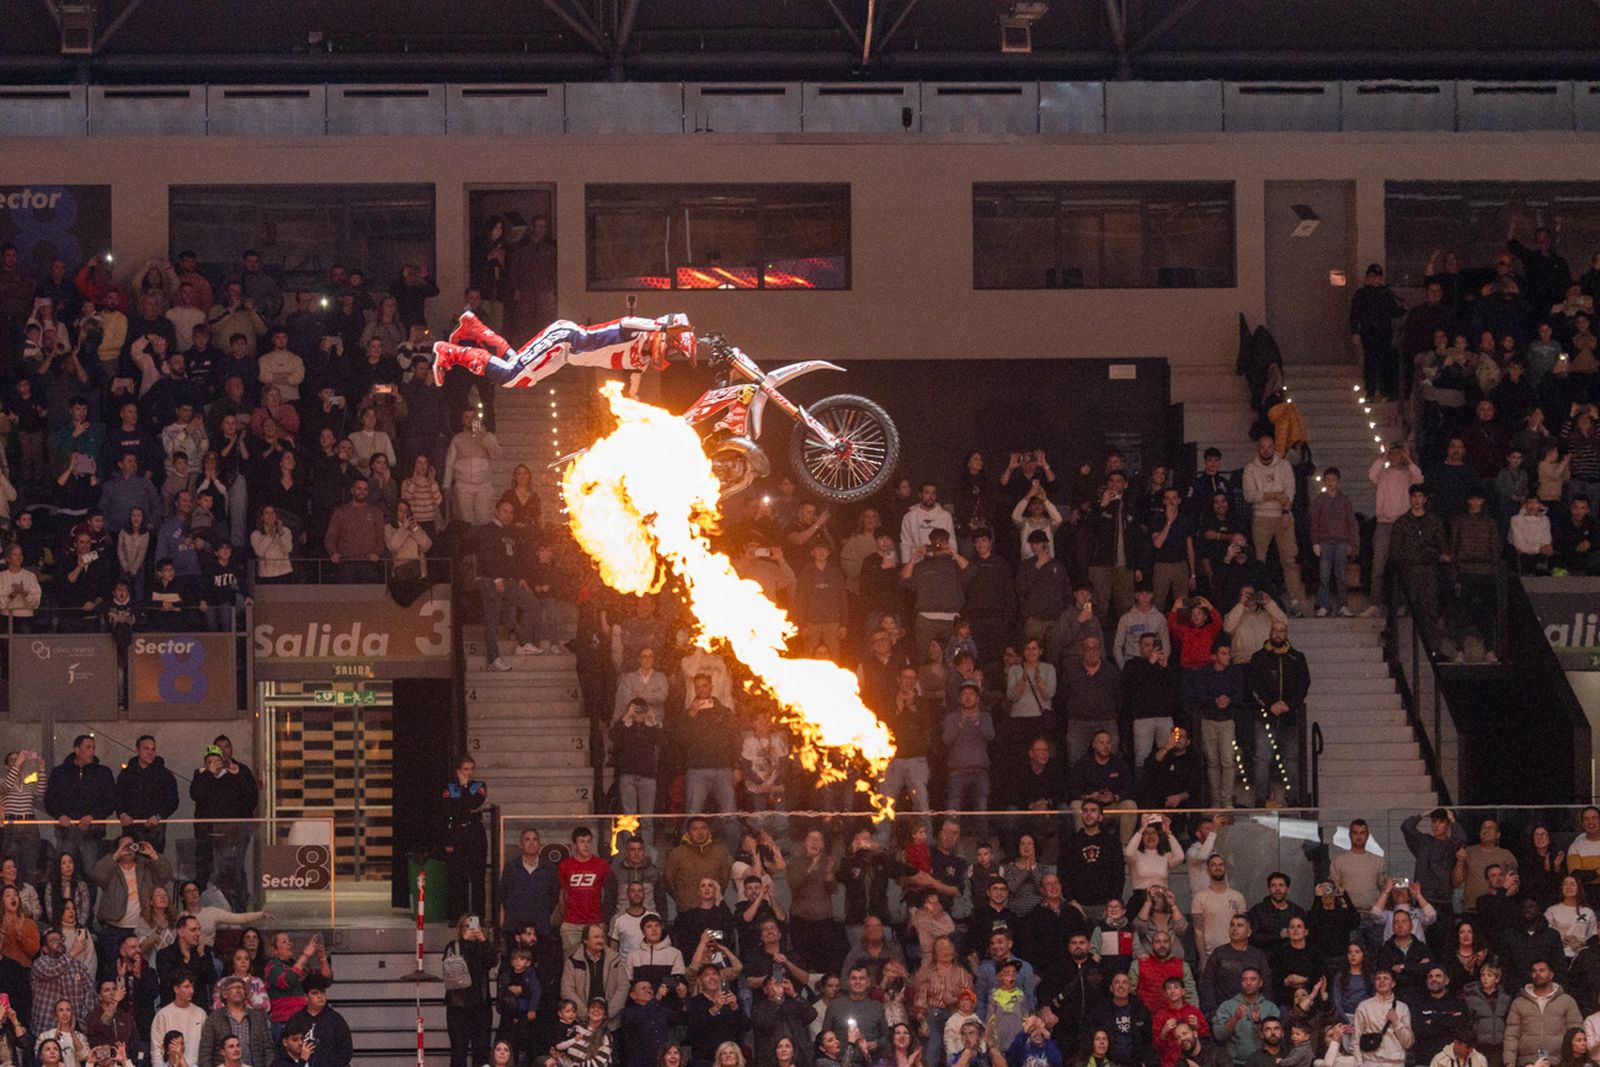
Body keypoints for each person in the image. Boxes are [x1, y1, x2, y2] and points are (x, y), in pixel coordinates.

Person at [1240, 435, 1308, 615]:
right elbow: (1249, 495)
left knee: (1289, 560)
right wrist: (1275, 495)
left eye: (1269, 447)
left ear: (1273, 447)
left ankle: (1294, 602)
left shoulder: (1284, 466)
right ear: (1258, 448)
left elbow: (1290, 492)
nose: (1266, 450)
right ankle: (1260, 601)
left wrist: (1285, 511)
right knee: (1259, 560)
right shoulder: (1250, 468)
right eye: (1262, 447)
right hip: (1261, 517)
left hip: (1283, 516)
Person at [43, 735, 116, 877]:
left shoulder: (103, 773)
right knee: (64, 872)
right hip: (66, 833)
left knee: (91, 873)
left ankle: (88, 899)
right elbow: (50, 800)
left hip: (91, 833)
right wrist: (59, 815)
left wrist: (93, 816)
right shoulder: (60, 773)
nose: (92, 751)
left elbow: (110, 801)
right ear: (77, 750)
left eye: (93, 748)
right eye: (88, 747)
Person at [1502, 960, 1580, 1067]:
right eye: (1534, 971)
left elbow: (1576, 1031)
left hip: (1559, 1061)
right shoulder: (1519, 1002)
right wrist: (1509, 1062)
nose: (1537, 974)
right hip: (1527, 1062)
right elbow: (1511, 1035)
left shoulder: (1567, 1001)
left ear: (1551, 975)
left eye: (1542, 970)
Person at [441, 755, 489, 924]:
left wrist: (465, 788)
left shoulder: (479, 785)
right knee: (456, 877)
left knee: (477, 877)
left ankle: (477, 919)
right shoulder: (449, 787)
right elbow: (451, 810)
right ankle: (458, 917)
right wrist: (463, 800)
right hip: (456, 834)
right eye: (465, 769)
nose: (469, 773)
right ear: (458, 771)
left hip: (475, 833)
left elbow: (473, 804)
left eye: (471, 769)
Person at [444, 915, 496, 1067]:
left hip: (481, 1005)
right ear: (461, 929)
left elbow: (492, 961)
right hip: (458, 1007)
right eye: (466, 926)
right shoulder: (453, 946)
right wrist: (464, 942)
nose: (471, 929)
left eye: (474, 926)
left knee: (481, 1050)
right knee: (458, 1051)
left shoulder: (482, 946)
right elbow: (450, 966)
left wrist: (483, 940)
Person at [197, 975, 272, 1067]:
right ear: (225, 994)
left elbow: (268, 1049)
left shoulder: (257, 1017)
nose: (238, 990)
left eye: (241, 988)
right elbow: (205, 1052)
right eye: (234, 988)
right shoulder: (214, 1018)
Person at [1211, 968, 1278, 1067]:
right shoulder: (1227, 1006)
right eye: (1244, 980)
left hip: (1265, 1063)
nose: (1248, 983)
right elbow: (1219, 1036)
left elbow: (1276, 1038)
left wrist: (1259, 1023)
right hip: (1235, 1063)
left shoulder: (1271, 1007)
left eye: (1253, 979)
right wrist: (1235, 1019)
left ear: (1260, 983)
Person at [1352, 970, 1411, 1067]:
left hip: (1396, 1063)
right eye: (1378, 978)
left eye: (1385, 978)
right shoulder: (1364, 1006)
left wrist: (1396, 1022)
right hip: (1371, 1063)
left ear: (1393, 984)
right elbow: (1355, 1039)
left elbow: (1408, 1043)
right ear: (1374, 983)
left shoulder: (1402, 1008)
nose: (1381, 981)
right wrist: (1359, 1064)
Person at [150, 976, 206, 1067]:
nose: (191, 991)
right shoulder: (163, 1015)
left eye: (192, 986)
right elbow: (156, 1050)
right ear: (176, 989)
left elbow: (205, 1048)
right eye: (187, 987)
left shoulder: (201, 1014)